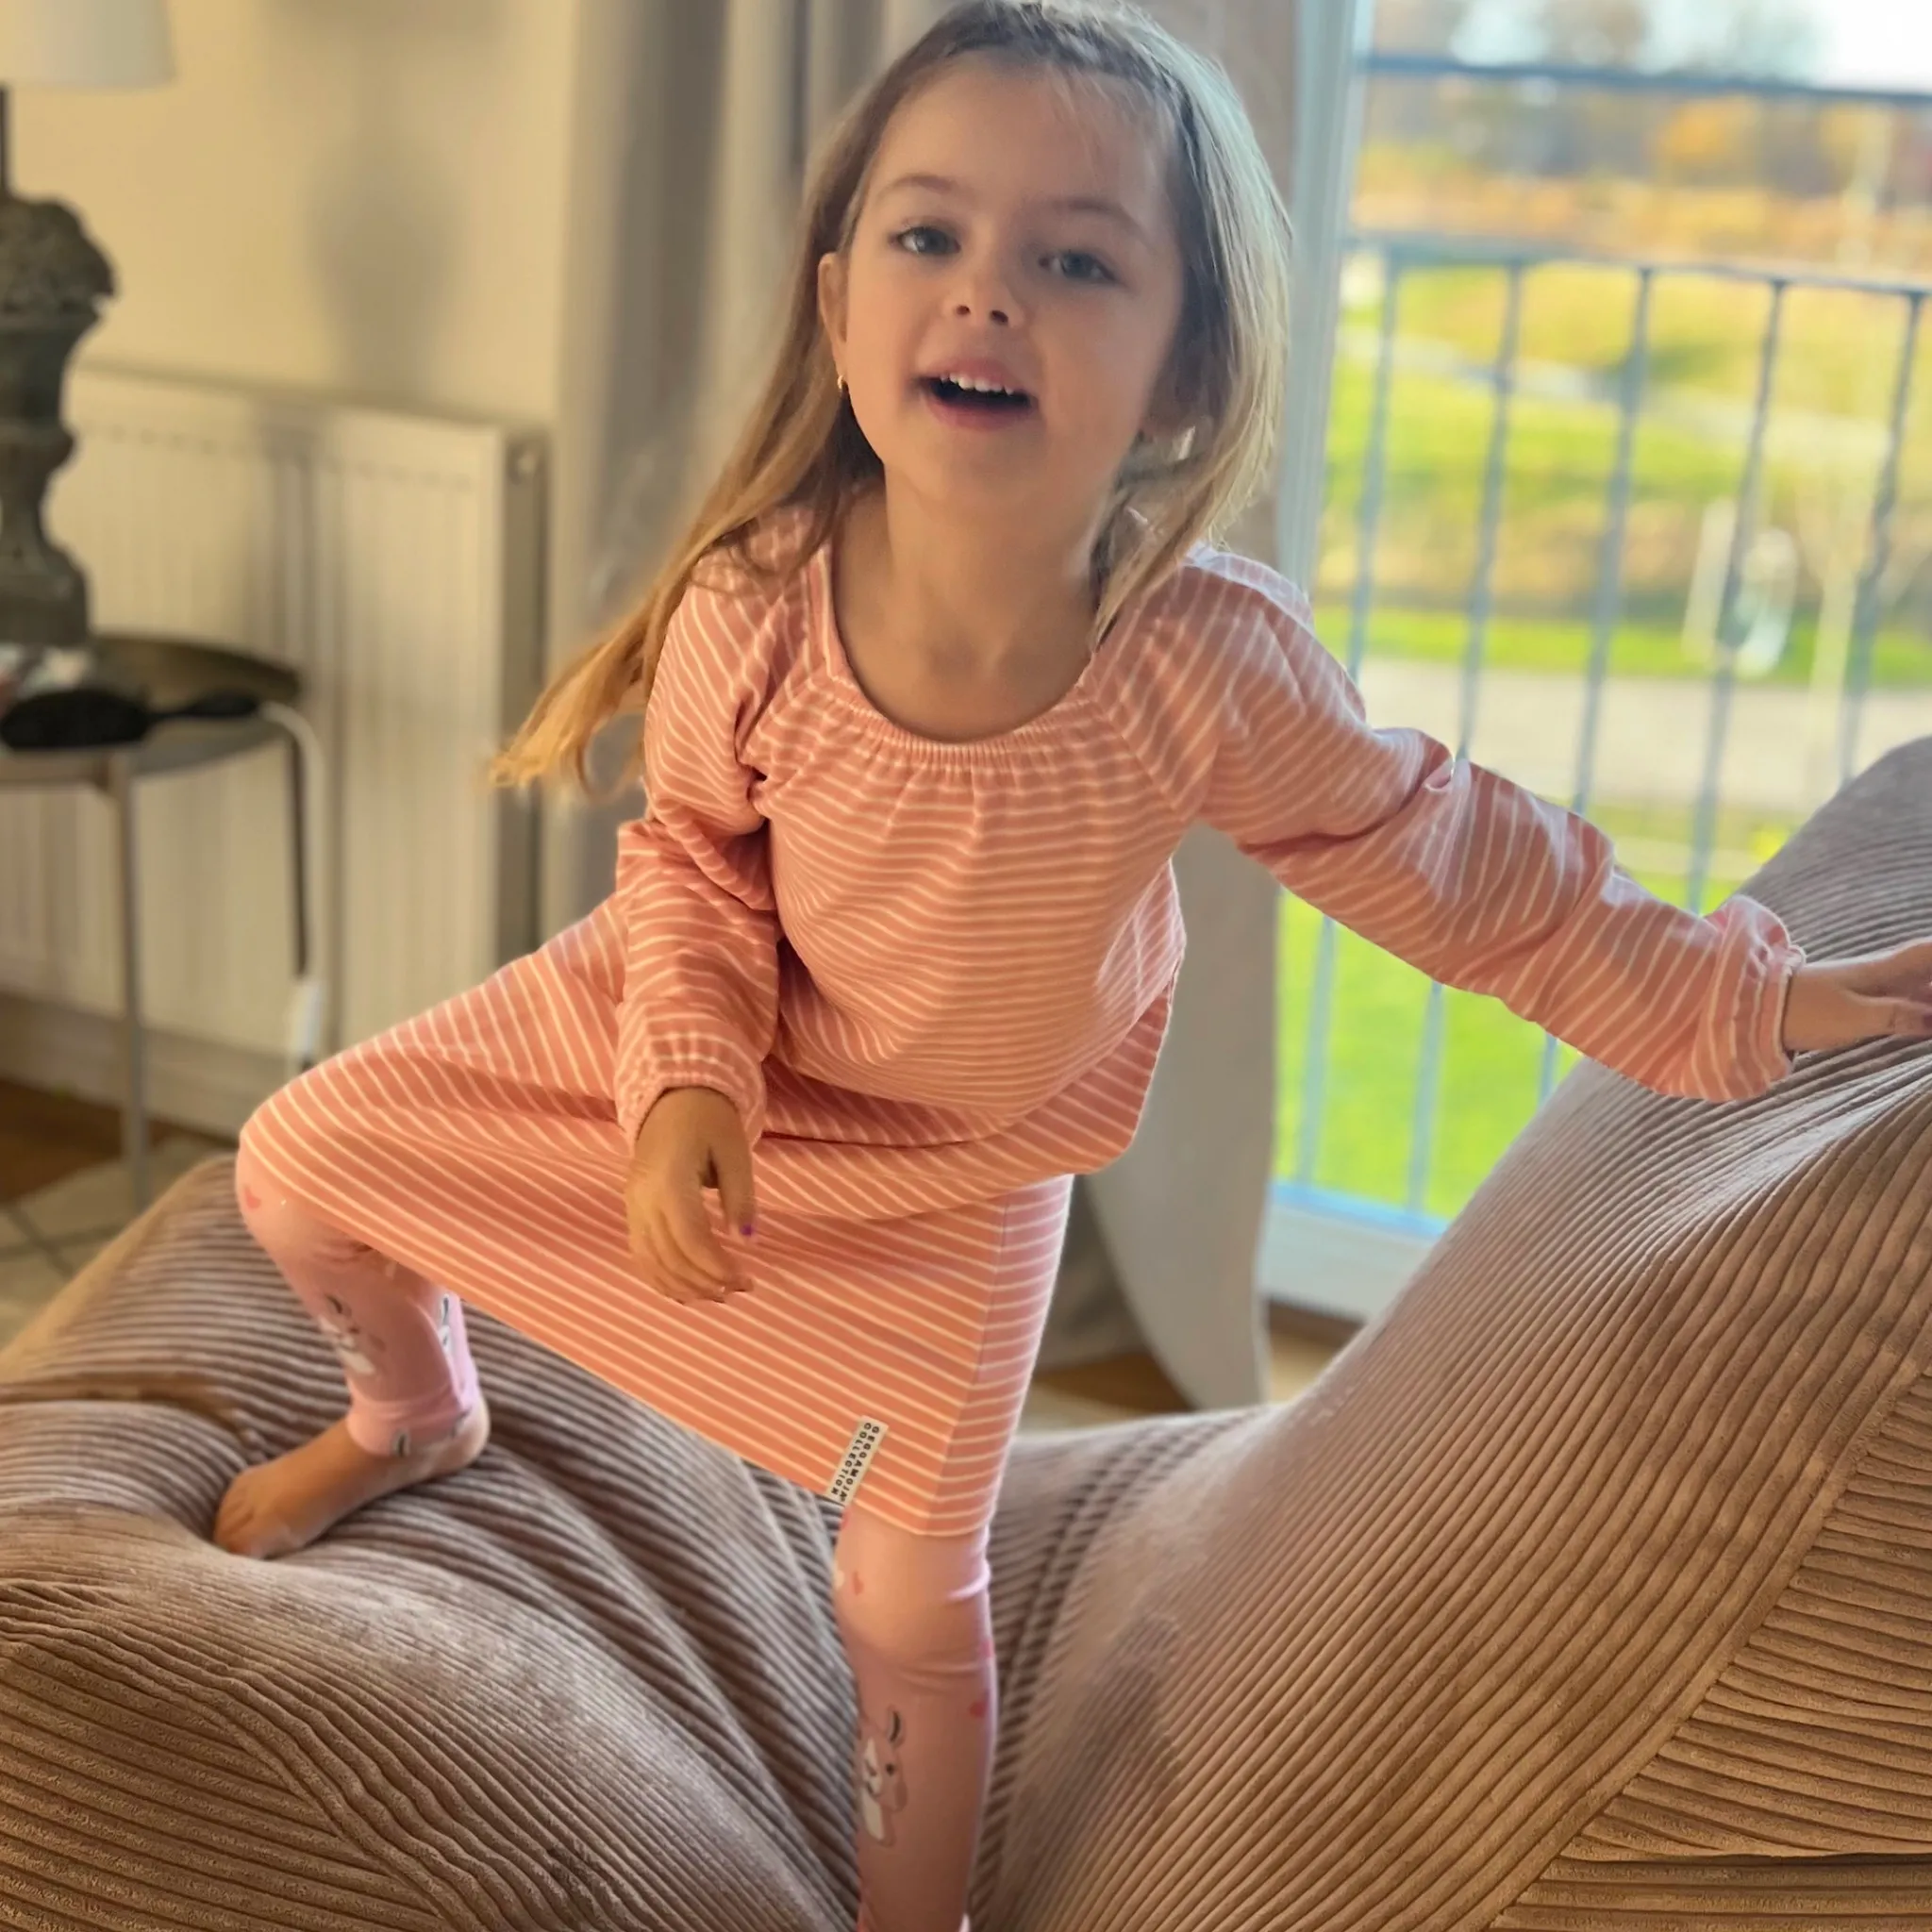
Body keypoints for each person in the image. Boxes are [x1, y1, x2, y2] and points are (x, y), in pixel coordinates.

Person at [209, 5, 1932, 1927]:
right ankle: (417, 1414)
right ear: (840, 299)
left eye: (1076, 260)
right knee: (293, 1165)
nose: (986, 294)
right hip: (715, 1050)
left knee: (906, 1597)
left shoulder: (1202, 661)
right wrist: (685, 1072)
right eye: (929, 235)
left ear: (1186, 366)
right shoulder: (753, 604)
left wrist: (1745, 995)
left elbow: (1455, 859)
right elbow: (691, 860)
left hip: (969, 1167)